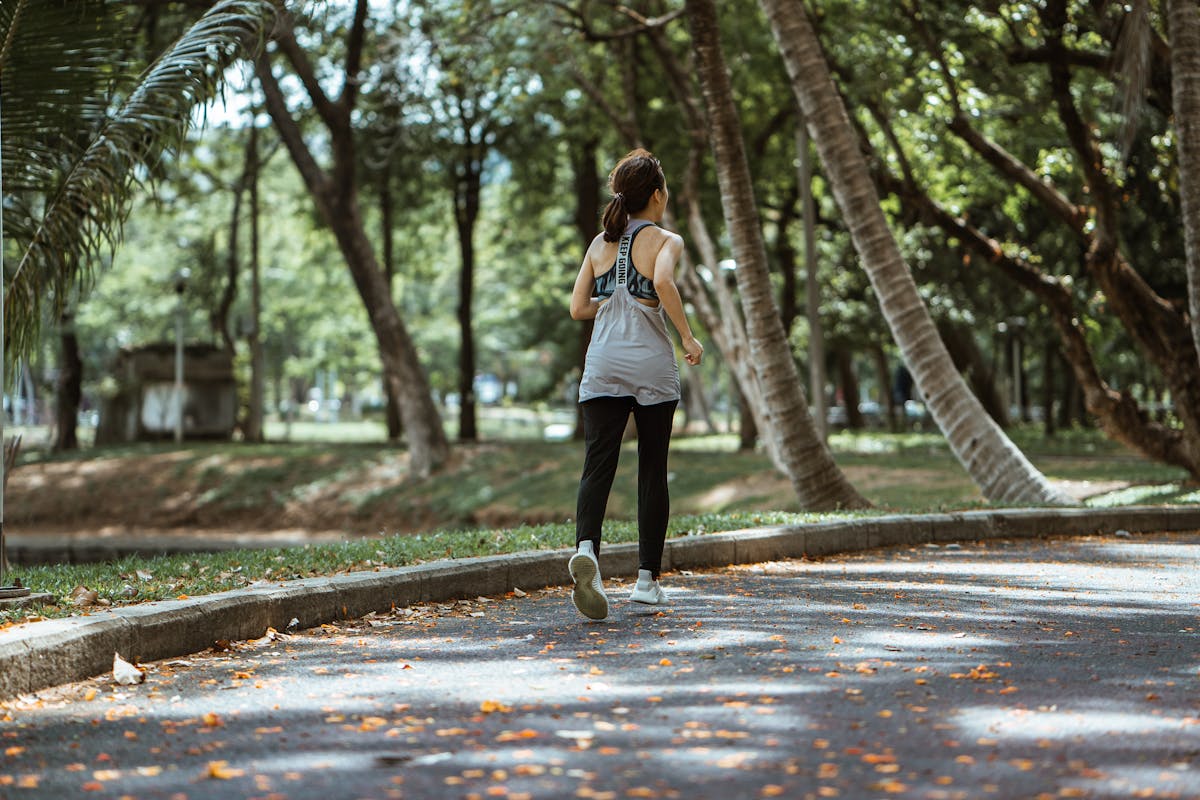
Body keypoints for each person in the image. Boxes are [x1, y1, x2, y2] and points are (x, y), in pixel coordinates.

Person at [567, 149, 704, 620]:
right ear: (659, 195)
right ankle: (646, 583)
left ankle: (588, 550)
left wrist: (609, 306)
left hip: (603, 364)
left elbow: (577, 308)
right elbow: (663, 282)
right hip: (650, 366)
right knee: (652, 468)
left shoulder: (598, 244)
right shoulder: (666, 239)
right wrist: (686, 336)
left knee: (596, 466)